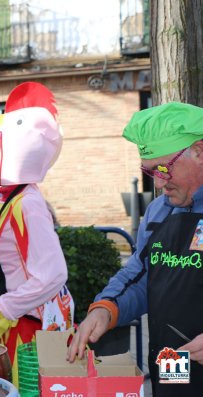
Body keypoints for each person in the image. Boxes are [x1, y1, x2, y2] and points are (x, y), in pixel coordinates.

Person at [67, 102, 203, 396]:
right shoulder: (158, 212)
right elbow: (140, 274)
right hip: (173, 357)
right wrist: (106, 309)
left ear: (199, 152)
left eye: (164, 167)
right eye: (150, 170)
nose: (158, 180)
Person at [0, 82, 74, 388]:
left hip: (26, 332)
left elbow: (53, 273)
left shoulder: (28, 204)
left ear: (15, 153)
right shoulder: (13, 199)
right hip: (15, 326)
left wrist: (5, 308)